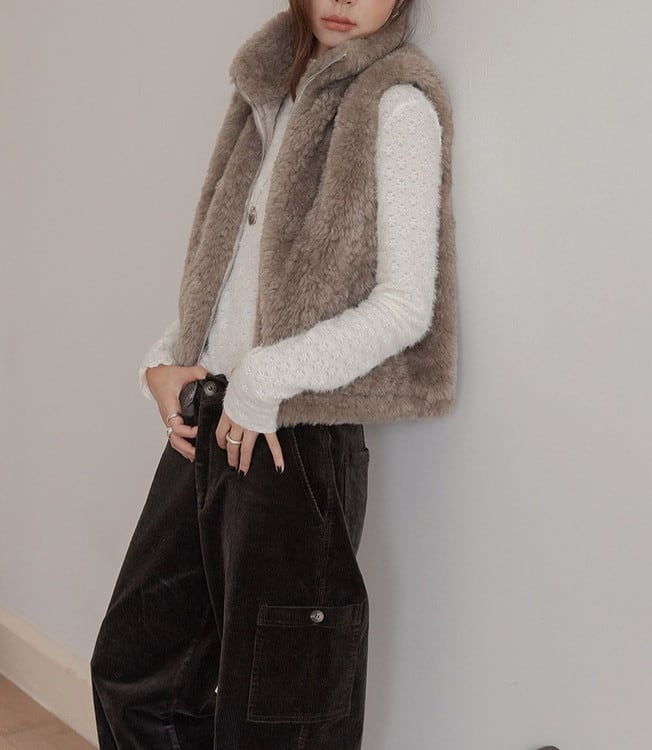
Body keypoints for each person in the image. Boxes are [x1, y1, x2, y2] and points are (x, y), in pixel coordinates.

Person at [89, 1, 457, 748]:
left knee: (279, 722)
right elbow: (229, 275)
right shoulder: (262, 91)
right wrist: (160, 363)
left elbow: (405, 305)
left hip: (296, 444)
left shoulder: (397, 103)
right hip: (209, 419)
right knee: (136, 677)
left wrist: (265, 381)